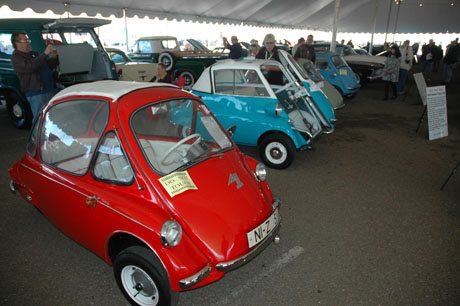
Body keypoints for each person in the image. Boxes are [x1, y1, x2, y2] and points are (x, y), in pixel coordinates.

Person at [11, 31, 59, 121]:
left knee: (52, 117)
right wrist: (44, 54)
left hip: (49, 89)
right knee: (39, 118)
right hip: (36, 92)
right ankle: (37, 135)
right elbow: (31, 67)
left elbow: (50, 66)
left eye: (28, 40)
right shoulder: (16, 57)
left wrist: (54, 57)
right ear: (17, 43)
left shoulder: (34, 54)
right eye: (25, 40)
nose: (28, 42)